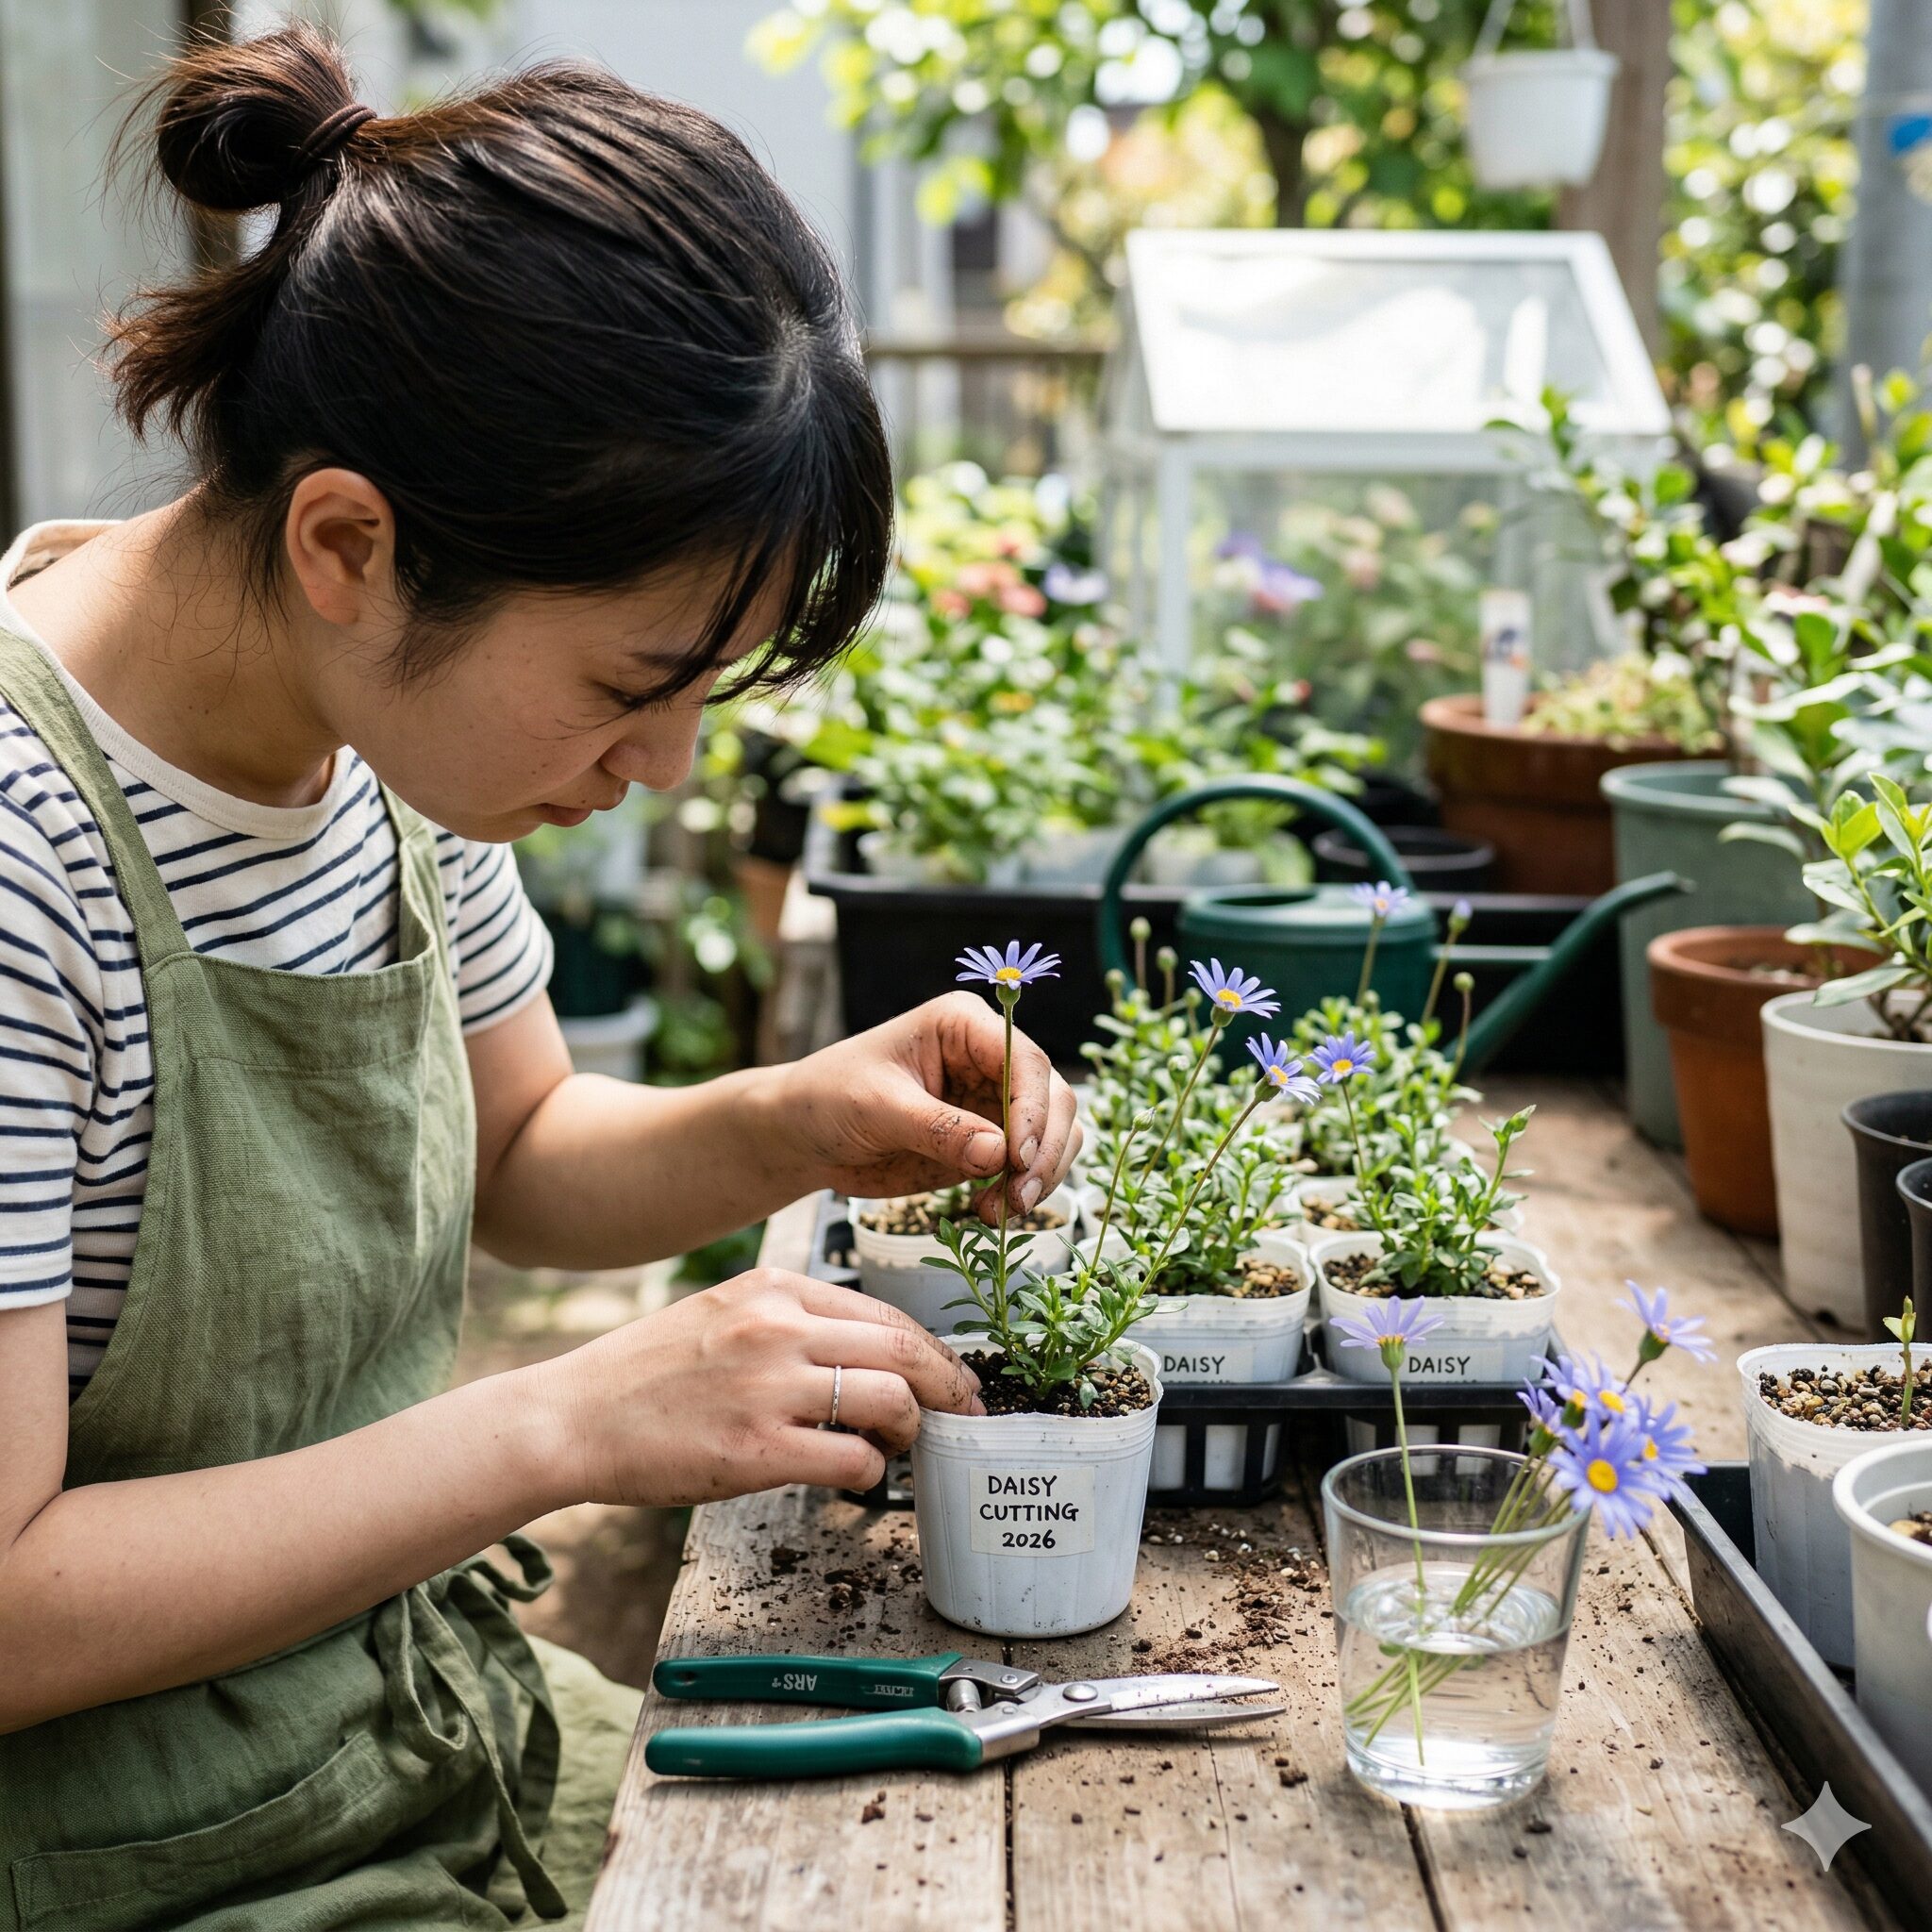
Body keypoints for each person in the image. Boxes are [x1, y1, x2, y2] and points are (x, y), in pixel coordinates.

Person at [0, 25, 1077, 1930]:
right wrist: (561, 1422)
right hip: (137, 1853)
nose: (660, 770)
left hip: (419, 1728)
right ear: (350, 541)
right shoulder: (29, 858)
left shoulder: (366, 739)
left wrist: (799, 1117)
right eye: (628, 687)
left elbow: (526, 1145)